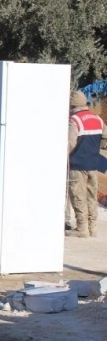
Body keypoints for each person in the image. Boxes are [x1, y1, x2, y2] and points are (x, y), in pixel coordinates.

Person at [66, 90, 102, 238]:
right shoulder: (97, 119)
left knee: (77, 195)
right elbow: (104, 136)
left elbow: (70, 142)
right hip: (94, 164)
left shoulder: (75, 120)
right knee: (91, 196)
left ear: (72, 105)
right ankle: (92, 227)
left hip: (78, 165)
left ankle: (82, 229)